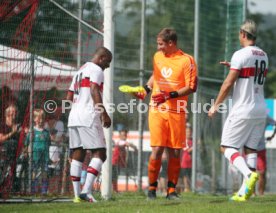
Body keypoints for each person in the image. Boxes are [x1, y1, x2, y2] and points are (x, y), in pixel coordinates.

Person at [208, 19, 268, 202]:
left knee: (226, 147)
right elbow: (249, 75)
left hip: (243, 109)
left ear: (243, 33)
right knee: (250, 150)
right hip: (260, 109)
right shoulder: (264, 55)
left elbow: (228, 84)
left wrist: (215, 105)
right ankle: (244, 192)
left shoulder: (240, 54)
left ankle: (249, 176)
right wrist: (234, 67)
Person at [134, 28, 197, 199]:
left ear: (171, 43)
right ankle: (152, 190)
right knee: (157, 149)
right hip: (157, 109)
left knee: (175, 152)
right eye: (158, 44)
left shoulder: (187, 60)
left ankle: (171, 190)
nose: (158, 47)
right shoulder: (157, 57)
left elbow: (192, 87)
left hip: (177, 112)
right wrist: (145, 90)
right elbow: (156, 75)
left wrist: (170, 95)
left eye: (161, 44)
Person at [66, 47, 112, 203]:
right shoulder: (96, 70)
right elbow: (94, 90)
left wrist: (71, 112)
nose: (108, 66)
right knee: (100, 153)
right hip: (88, 116)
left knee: (78, 153)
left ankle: (76, 196)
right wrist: (103, 113)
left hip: (74, 117)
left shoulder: (80, 70)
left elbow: (69, 95)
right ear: (102, 58)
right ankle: (86, 191)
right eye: (108, 62)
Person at [24, 109, 51, 195]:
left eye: (42, 118)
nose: (41, 120)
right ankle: (33, 190)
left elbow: (48, 144)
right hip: (34, 156)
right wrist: (27, 153)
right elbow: (26, 144)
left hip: (45, 157)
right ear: (34, 119)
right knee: (34, 173)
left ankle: (44, 191)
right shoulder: (31, 132)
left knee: (45, 174)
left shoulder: (46, 132)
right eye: (39, 118)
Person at [256, 116, 276, 195]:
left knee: (262, 172)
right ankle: (252, 194)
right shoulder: (247, 115)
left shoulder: (265, 117)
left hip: (261, 148)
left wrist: (272, 136)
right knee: (250, 172)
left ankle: (261, 194)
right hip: (249, 148)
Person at [45, 108, 65, 175]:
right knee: (47, 173)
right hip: (46, 152)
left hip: (57, 151)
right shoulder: (45, 124)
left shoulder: (60, 123)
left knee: (56, 173)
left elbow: (59, 138)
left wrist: (51, 138)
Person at [178, 124, 193, 193]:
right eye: (187, 132)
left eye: (190, 132)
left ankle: (189, 188)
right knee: (185, 175)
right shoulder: (184, 141)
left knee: (189, 175)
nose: (189, 134)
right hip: (184, 162)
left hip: (191, 162)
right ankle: (185, 188)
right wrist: (194, 147)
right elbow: (187, 150)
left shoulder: (192, 141)